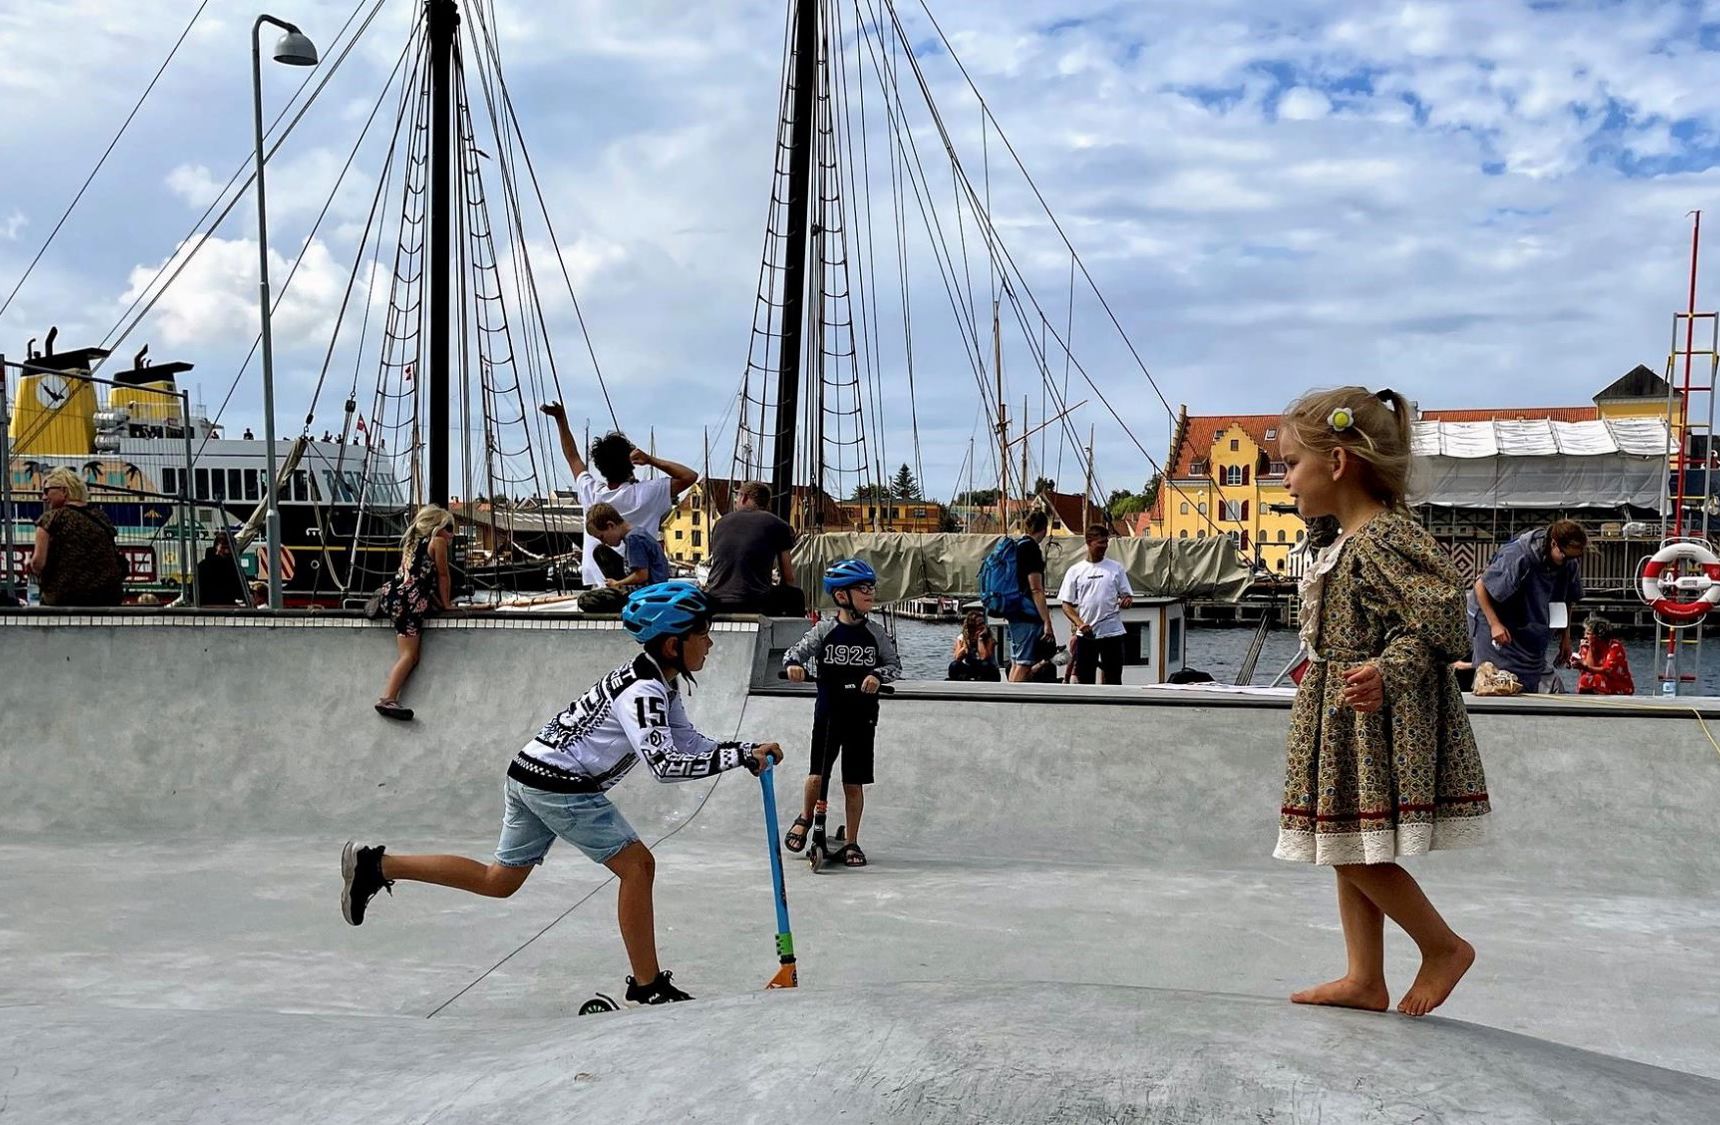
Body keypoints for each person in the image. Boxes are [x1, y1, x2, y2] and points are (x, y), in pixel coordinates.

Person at [340, 581, 783, 1005]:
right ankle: (647, 986)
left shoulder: (657, 680)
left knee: (500, 881)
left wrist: (743, 750)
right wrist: (736, 760)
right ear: (672, 644)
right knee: (638, 866)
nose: (710, 642)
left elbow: (685, 741)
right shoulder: (644, 691)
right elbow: (665, 765)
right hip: (559, 785)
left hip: (531, 771)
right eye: (702, 632)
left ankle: (375, 864)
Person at [1274, 386, 1489, 1019]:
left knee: (1344, 843)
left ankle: (1442, 945)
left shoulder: (1381, 539)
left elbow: (1442, 615)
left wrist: (1388, 671)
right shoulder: (1341, 541)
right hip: (1336, 712)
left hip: (1366, 717)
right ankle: (1365, 976)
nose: (1284, 482)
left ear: (1337, 464)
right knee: (1348, 845)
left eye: (1290, 465)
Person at [781, 559, 902, 868]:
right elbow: (794, 653)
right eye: (863, 588)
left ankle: (851, 839)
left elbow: (894, 666)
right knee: (817, 774)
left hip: (862, 717)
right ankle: (806, 817)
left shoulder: (876, 633)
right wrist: (793, 666)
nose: (870, 593)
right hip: (828, 711)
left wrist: (878, 675)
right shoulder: (824, 630)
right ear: (841, 596)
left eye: (872, 587)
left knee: (853, 781)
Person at [540, 402, 696, 591]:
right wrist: (650, 459)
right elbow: (690, 476)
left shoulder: (592, 493)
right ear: (630, 463)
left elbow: (572, 457)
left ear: (599, 466)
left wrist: (561, 419)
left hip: (600, 587)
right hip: (637, 590)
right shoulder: (648, 494)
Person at [1468, 520, 1586, 693]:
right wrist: (1495, 624)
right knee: (1495, 680)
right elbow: (1480, 586)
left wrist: (1565, 637)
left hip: (1529, 621)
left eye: (1574, 557)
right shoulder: (1518, 556)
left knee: (1529, 676)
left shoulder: (1569, 564)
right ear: (1554, 543)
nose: (1568, 561)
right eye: (1565, 556)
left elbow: (1567, 600)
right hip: (1494, 618)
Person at [373, 505, 455, 721]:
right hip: (410, 602)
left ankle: (389, 697)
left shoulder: (413, 543)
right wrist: (447, 605)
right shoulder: (437, 542)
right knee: (409, 655)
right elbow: (443, 576)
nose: (452, 534)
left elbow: (417, 577)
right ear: (437, 527)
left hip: (395, 596)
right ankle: (387, 698)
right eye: (449, 528)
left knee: (412, 655)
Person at [702, 482, 806, 616]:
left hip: (716, 601)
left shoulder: (720, 523)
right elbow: (788, 576)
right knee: (796, 596)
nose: (735, 501)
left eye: (737, 497)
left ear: (744, 497)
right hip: (755, 602)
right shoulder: (778, 524)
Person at [30, 467, 125, 607]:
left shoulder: (50, 519)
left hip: (64, 598)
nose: (43, 497)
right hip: (107, 597)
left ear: (64, 490)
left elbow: (38, 563)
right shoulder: (101, 517)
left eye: (46, 491)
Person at [1057, 523, 1135, 685]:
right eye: (1100, 543)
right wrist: (1080, 624)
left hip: (1112, 633)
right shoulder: (1075, 571)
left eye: (1106, 543)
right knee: (1085, 679)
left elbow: (1127, 596)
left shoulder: (1116, 568)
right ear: (1089, 543)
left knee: (1113, 679)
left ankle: (1113, 707)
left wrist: (1127, 601)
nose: (1104, 547)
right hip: (1087, 636)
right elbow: (1066, 604)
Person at [1006, 510, 1054, 682]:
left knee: (1016, 662)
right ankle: (1011, 703)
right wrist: (1047, 621)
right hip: (1027, 614)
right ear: (1044, 528)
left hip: (1013, 612)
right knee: (1024, 665)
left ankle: (1008, 698)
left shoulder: (1017, 546)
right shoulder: (1031, 549)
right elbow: (1036, 589)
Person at [1574, 614, 1634, 696]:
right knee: (1585, 679)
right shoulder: (1586, 646)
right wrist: (1590, 648)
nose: (1585, 636)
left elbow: (1607, 670)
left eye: (1588, 634)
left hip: (1617, 683)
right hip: (1597, 682)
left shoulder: (1614, 647)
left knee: (1597, 679)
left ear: (1598, 635)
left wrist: (1586, 667)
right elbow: (1587, 670)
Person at [196, 533, 248, 607]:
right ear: (216, 548)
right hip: (210, 609)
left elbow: (244, 591)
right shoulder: (204, 567)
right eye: (223, 547)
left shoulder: (235, 568)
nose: (227, 551)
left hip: (223, 610)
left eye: (230, 548)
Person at [947, 609, 1001, 682]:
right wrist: (967, 643)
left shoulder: (989, 639)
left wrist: (980, 639)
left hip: (988, 670)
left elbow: (984, 657)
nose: (983, 626)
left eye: (983, 623)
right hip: (970, 668)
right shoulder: (962, 638)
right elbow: (957, 657)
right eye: (979, 625)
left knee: (985, 664)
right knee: (954, 665)